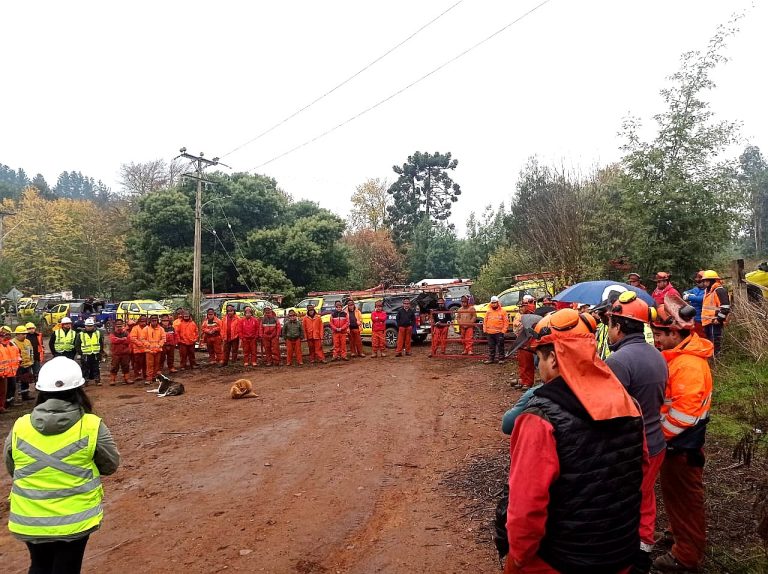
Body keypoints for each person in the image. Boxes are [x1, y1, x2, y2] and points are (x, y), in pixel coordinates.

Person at [505, 308, 645, 574]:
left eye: (539, 358)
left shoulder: (540, 417)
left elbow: (526, 505)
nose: (538, 366)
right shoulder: (629, 404)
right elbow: (641, 476)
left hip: (559, 559)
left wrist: (519, 557)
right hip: (620, 552)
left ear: (554, 359)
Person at [4, 356, 120, 574]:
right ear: (79, 390)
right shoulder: (91, 425)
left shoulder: (20, 426)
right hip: (75, 519)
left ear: (41, 390)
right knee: (67, 567)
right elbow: (110, 465)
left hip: (29, 518)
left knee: (39, 565)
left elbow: (13, 468)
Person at [604, 291, 669, 573]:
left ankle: (628, 556)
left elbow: (608, 411)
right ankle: (643, 548)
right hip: (655, 441)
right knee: (645, 496)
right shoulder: (657, 355)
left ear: (618, 325)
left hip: (632, 449)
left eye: (610, 324)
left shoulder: (619, 361)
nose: (608, 330)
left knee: (626, 500)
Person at [650, 294, 713, 573]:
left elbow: (684, 415)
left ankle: (685, 557)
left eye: (659, 335)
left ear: (675, 333)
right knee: (675, 497)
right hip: (677, 445)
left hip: (682, 446)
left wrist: (659, 437)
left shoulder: (688, 365)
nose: (656, 341)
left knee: (686, 501)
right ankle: (677, 533)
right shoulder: (679, 358)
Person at [700, 269, 730, 356]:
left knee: (715, 343)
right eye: (704, 281)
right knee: (710, 343)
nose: (704, 283)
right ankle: (712, 358)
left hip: (714, 322)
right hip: (707, 322)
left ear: (712, 280)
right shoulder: (708, 291)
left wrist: (719, 319)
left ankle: (717, 360)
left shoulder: (719, 290)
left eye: (706, 281)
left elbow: (725, 307)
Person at [511, 295, 536, 388]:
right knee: (522, 362)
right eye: (521, 306)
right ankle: (523, 379)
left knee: (528, 362)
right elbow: (516, 328)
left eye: (523, 306)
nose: (521, 308)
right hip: (521, 341)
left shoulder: (533, 316)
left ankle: (528, 382)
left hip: (529, 341)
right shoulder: (519, 315)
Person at [75, 318, 103, 386]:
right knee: (85, 368)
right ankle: (85, 381)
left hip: (95, 354)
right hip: (85, 354)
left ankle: (97, 380)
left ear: (93, 326)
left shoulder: (97, 333)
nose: (89, 327)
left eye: (91, 326)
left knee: (96, 368)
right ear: (85, 326)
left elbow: (101, 343)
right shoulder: (80, 334)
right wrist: (81, 353)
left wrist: (100, 352)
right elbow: (77, 345)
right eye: (88, 326)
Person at [11, 325, 35, 402]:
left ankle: (25, 395)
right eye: (23, 334)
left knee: (26, 381)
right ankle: (18, 397)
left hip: (27, 365)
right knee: (18, 382)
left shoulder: (27, 341)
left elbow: (31, 352)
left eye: (25, 334)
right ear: (17, 334)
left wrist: (31, 361)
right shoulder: (13, 343)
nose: (25, 335)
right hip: (18, 366)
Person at [483, 296, 509, 365]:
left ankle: (501, 359)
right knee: (491, 346)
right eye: (492, 303)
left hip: (499, 332)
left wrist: (503, 331)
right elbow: (485, 321)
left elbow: (506, 322)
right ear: (491, 303)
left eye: (495, 303)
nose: (494, 304)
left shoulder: (503, 311)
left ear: (498, 303)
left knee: (500, 346)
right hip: (489, 332)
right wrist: (485, 329)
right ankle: (491, 359)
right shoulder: (488, 311)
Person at [108, 319, 132, 385]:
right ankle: (112, 380)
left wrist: (119, 340)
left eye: (120, 326)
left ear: (123, 325)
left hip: (125, 353)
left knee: (126, 366)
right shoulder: (113, 333)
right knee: (114, 367)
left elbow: (128, 340)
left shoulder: (126, 333)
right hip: (116, 353)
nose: (119, 327)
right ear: (115, 326)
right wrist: (123, 339)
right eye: (118, 326)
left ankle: (127, 379)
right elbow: (113, 340)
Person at [682, 272, 706, 338]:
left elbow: (701, 299)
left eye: (699, 281)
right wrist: (687, 294)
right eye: (697, 281)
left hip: (702, 319)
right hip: (693, 318)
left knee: (701, 337)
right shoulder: (695, 289)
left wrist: (690, 297)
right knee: (693, 336)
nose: (698, 283)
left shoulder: (708, 290)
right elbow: (685, 292)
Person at [2, 327, 21, 409]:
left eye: (9, 334)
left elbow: (18, 353)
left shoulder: (12, 344)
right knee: (4, 390)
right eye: (5, 334)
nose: (7, 336)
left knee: (12, 387)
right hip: (3, 372)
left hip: (12, 371)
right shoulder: (1, 345)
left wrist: (19, 361)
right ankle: (4, 404)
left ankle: (10, 402)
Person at [143, 315, 166, 382]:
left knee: (157, 364)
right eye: (152, 320)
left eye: (155, 320)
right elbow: (143, 339)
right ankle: (149, 377)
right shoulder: (146, 329)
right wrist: (148, 345)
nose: (154, 322)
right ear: (150, 321)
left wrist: (159, 345)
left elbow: (163, 338)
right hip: (149, 350)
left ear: (157, 321)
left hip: (158, 349)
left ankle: (155, 376)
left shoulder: (161, 329)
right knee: (149, 364)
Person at [129, 316, 148, 383]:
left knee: (145, 363)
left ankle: (145, 374)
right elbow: (133, 338)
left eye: (144, 321)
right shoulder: (135, 328)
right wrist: (140, 344)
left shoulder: (148, 328)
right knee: (137, 363)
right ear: (139, 322)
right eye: (141, 321)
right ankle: (137, 375)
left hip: (146, 349)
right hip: (138, 349)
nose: (143, 323)